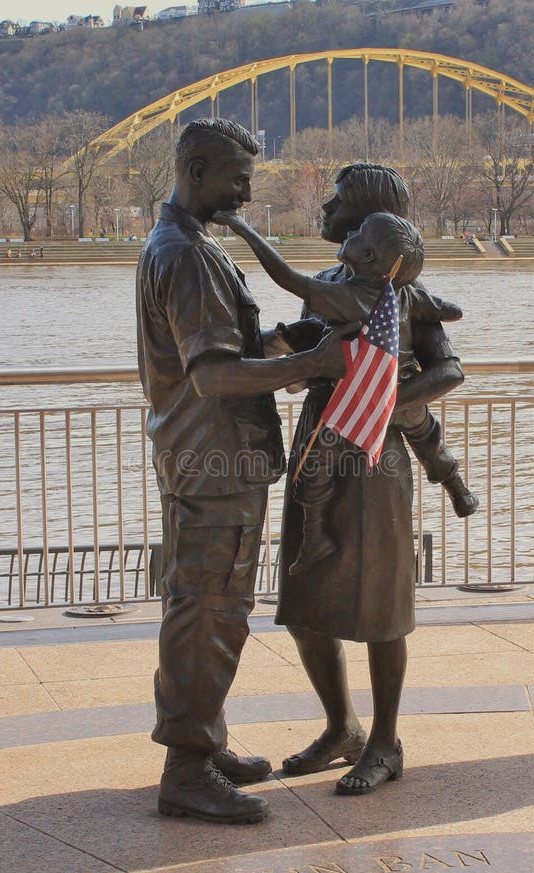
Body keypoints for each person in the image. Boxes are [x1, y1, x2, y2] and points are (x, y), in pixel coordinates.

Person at [136, 118, 347, 825]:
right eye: (238, 180)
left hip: (202, 457)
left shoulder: (184, 245)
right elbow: (216, 375)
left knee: (204, 607)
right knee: (210, 612)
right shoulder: (189, 257)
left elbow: (230, 348)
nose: (247, 194)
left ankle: (203, 739)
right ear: (197, 172)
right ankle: (187, 768)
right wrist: (311, 365)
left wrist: (286, 340)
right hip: (214, 460)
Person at [272, 163, 472, 795]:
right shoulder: (332, 283)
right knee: (304, 601)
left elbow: (450, 370)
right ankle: (342, 727)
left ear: (367, 225)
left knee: (383, 607)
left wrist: (386, 395)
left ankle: (385, 742)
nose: (324, 208)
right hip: (318, 442)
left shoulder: (404, 294)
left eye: (336, 200)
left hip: (377, 457)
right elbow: (303, 352)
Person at [213, 207, 477, 574]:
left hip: (364, 396)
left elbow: (290, 279)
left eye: (359, 232)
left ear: (368, 257)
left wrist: (244, 230)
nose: (349, 232)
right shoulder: (400, 293)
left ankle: (316, 536)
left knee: (314, 465)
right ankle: (456, 486)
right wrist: (453, 310)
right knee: (428, 434)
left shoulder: (350, 296)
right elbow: (442, 308)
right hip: (400, 388)